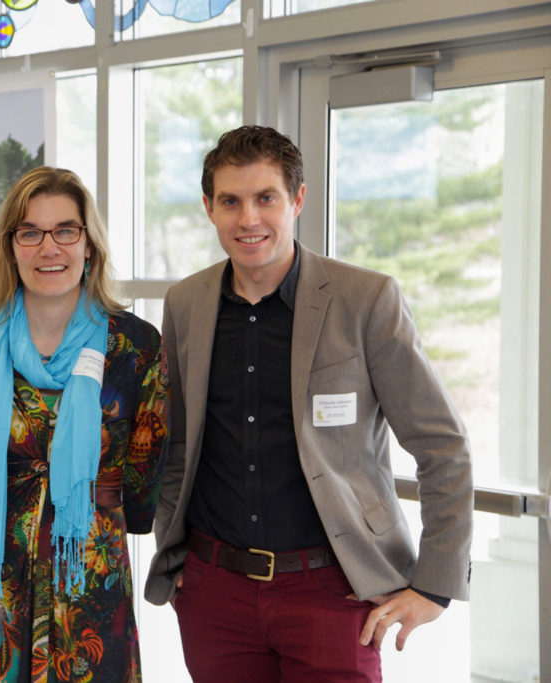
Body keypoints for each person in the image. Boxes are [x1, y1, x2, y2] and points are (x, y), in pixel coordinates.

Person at [145, 125, 473, 682]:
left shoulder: (365, 300)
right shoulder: (185, 303)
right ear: (209, 208)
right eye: (231, 201)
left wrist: (435, 584)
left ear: (297, 199)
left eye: (265, 198)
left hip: (334, 588)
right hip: (214, 592)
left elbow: (443, 447)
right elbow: (176, 445)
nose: (248, 219)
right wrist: (180, 561)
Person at [0, 166, 170, 682]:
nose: (50, 248)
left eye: (66, 230)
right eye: (30, 232)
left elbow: (141, 483)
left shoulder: (135, 350)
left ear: (89, 244)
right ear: (10, 246)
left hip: (88, 583)